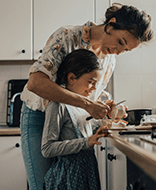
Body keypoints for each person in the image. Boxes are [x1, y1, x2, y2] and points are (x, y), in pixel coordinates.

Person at [20, 3, 154, 190]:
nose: (118, 51)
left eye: (124, 50)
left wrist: (104, 107)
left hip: (71, 126)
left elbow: (87, 97)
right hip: (39, 117)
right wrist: (88, 104)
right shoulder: (67, 36)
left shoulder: (109, 59)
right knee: (43, 186)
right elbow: (35, 83)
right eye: (121, 42)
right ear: (111, 24)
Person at [41, 49, 107, 190]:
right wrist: (86, 142)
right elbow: (47, 148)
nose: (94, 88)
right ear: (71, 78)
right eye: (91, 82)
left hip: (88, 169)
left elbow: (83, 129)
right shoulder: (57, 105)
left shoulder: (84, 104)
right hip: (70, 175)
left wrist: (103, 125)